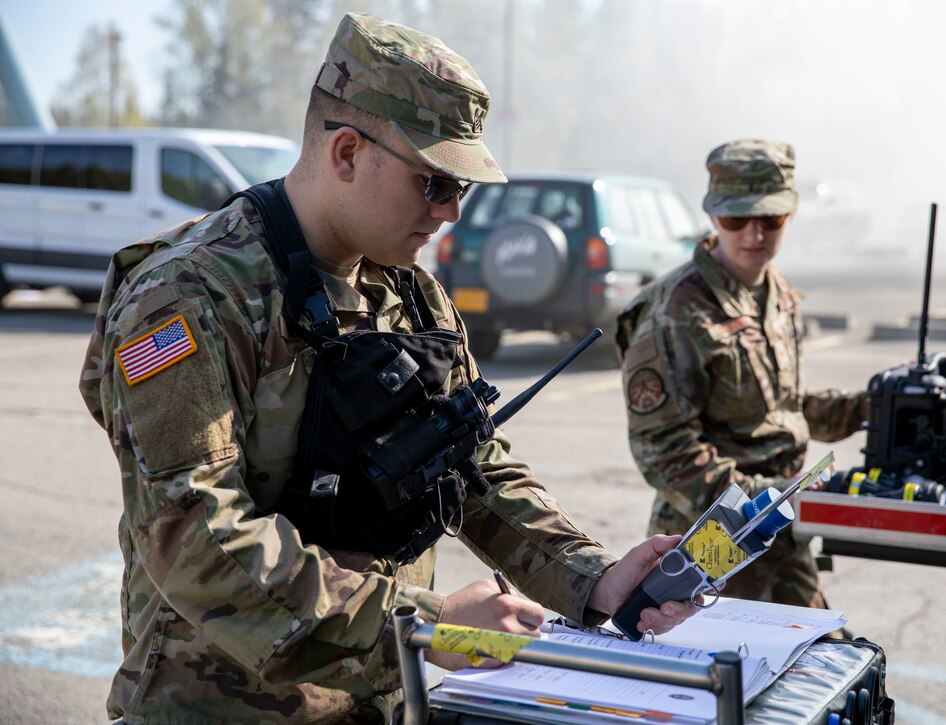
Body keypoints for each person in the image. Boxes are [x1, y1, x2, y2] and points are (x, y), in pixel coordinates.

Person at [79, 13, 696, 724]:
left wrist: (592, 578)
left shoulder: (412, 291)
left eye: (463, 190)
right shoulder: (187, 297)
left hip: (378, 697)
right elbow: (194, 536)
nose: (451, 213)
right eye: (434, 183)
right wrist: (428, 622)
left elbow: (471, 463)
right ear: (346, 153)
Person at [616, 139, 869, 609]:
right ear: (714, 217)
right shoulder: (674, 311)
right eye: (737, 219)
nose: (754, 234)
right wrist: (770, 502)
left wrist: (876, 405)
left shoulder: (776, 294)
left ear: (790, 215)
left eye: (769, 219)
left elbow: (782, 407)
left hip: (780, 530)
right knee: (724, 672)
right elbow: (664, 452)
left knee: (821, 659)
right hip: (710, 540)